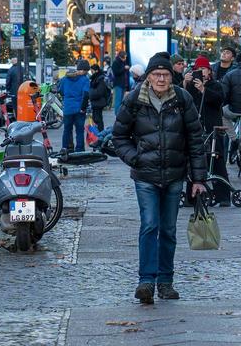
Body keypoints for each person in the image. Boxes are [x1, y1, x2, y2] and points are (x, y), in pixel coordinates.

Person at [113, 52, 207, 304]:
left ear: (171, 76)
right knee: (150, 225)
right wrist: (135, 158)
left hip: (175, 174)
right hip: (145, 175)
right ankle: (146, 281)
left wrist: (198, 178)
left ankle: (165, 281)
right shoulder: (134, 100)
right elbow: (118, 137)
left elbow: (195, 140)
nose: (161, 79)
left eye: (165, 74)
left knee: (168, 230)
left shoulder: (182, 99)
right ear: (149, 76)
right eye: (157, 74)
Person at [185, 55, 228, 202]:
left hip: (212, 128)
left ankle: (223, 196)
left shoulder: (215, 85)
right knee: (193, 161)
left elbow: (219, 100)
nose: (201, 72)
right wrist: (185, 83)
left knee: (217, 160)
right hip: (195, 129)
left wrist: (203, 89)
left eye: (203, 69)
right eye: (198, 69)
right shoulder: (190, 86)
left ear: (209, 71)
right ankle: (192, 197)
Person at [57, 60, 92, 152]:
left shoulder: (65, 79)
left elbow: (60, 90)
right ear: (84, 70)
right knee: (79, 130)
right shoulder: (85, 79)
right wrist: (83, 108)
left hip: (68, 108)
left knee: (67, 130)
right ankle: (79, 150)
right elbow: (86, 94)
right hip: (79, 109)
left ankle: (65, 148)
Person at [88, 63, 112, 127]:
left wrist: (90, 93)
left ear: (96, 71)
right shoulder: (96, 78)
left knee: (98, 119)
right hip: (97, 102)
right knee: (96, 119)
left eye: (92, 70)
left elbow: (99, 92)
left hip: (98, 102)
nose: (91, 72)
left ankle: (100, 134)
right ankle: (98, 134)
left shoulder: (100, 79)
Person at [111, 50, 130, 116]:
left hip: (122, 84)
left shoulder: (122, 62)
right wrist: (124, 68)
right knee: (118, 100)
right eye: (124, 57)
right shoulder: (116, 62)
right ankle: (117, 114)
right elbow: (116, 72)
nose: (125, 59)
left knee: (121, 100)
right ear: (121, 57)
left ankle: (119, 113)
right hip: (118, 84)